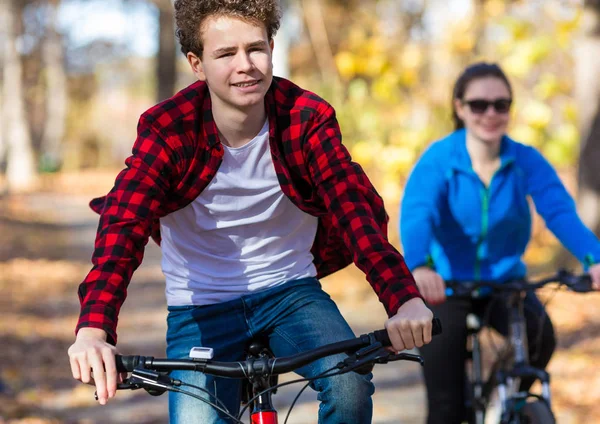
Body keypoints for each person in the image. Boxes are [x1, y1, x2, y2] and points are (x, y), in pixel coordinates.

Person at [67, 1, 434, 423]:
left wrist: (403, 300)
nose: (246, 65)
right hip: (199, 305)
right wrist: (94, 330)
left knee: (348, 385)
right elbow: (123, 225)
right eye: (225, 54)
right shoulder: (168, 129)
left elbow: (354, 212)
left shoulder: (306, 118)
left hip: (291, 293)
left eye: (255, 49)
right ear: (197, 63)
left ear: (272, 48)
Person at [399, 62, 600, 424]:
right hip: (446, 284)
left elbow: (558, 212)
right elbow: (417, 214)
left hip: (506, 281)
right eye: (479, 105)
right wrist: (420, 264)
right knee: (446, 406)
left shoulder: (525, 160)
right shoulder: (439, 159)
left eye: (501, 104)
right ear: (460, 108)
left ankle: (501, 402)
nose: (490, 113)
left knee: (541, 338)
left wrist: (594, 258)